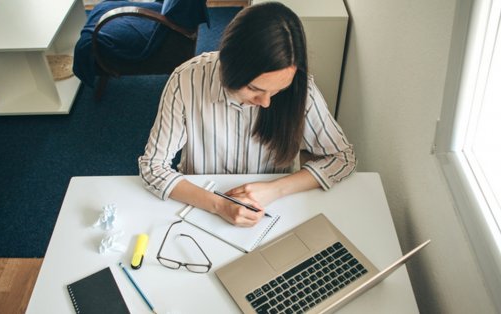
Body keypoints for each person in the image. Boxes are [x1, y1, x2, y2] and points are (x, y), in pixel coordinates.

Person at [138, 2, 356, 227]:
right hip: (200, 203)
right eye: (254, 89)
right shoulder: (185, 81)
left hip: (272, 209)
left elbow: (342, 158)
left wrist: (275, 190)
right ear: (229, 65)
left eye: (278, 91)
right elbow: (152, 168)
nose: (266, 102)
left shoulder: (301, 89)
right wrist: (219, 205)